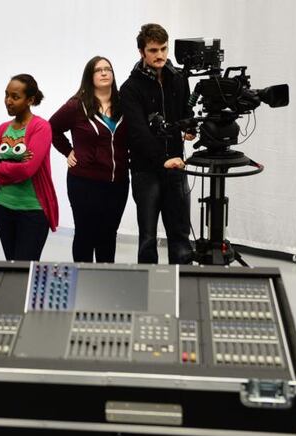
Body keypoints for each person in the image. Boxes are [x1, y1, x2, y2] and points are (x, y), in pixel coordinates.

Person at [120, 23, 195, 264]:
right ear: (142, 52)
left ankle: (183, 289)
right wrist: (163, 159)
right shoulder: (130, 88)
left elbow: (186, 111)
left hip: (176, 168)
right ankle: (147, 294)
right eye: (153, 50)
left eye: (163, 48)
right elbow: (138, 134)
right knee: (148, 238)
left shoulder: (179, 79)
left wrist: (189, 127)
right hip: (146, 171)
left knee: (181, 236)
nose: (160, 55)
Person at [49, 56, 129, 263]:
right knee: (85, 234)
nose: (104, 73)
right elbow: (52, 129)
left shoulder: (124, 104)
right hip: (84, 182)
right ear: (89, 76)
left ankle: (104, 283)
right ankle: (81, 282)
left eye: (108, 69)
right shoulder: (76, 106)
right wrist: (68, 151)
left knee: (109, 235)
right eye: (98, 70)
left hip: (118, 183)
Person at [0, 74, 58, 261]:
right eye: (6, 95)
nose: (8, 101)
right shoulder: (2, 129)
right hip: (2, 206)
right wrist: (15, 163)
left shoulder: (41, 127)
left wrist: (1, 163)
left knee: (25, 268)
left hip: (32, 211)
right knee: (11, 265)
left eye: (15, 97)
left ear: (30, 100)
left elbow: (28, 170)